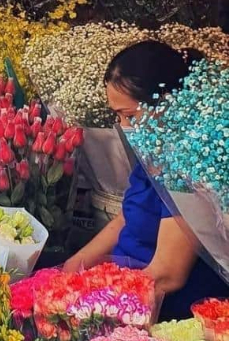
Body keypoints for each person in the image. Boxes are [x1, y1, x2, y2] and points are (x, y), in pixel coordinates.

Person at [65, 41, 229, 319]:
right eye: (118, 116)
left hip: (163, 310)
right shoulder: (156, 148)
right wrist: (73, 267)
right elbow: (130, 215)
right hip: (128, 286)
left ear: (165, 99)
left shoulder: (187, 165)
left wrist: (93, 304)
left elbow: (168, 273)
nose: (125, 128)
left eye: (129, 116)